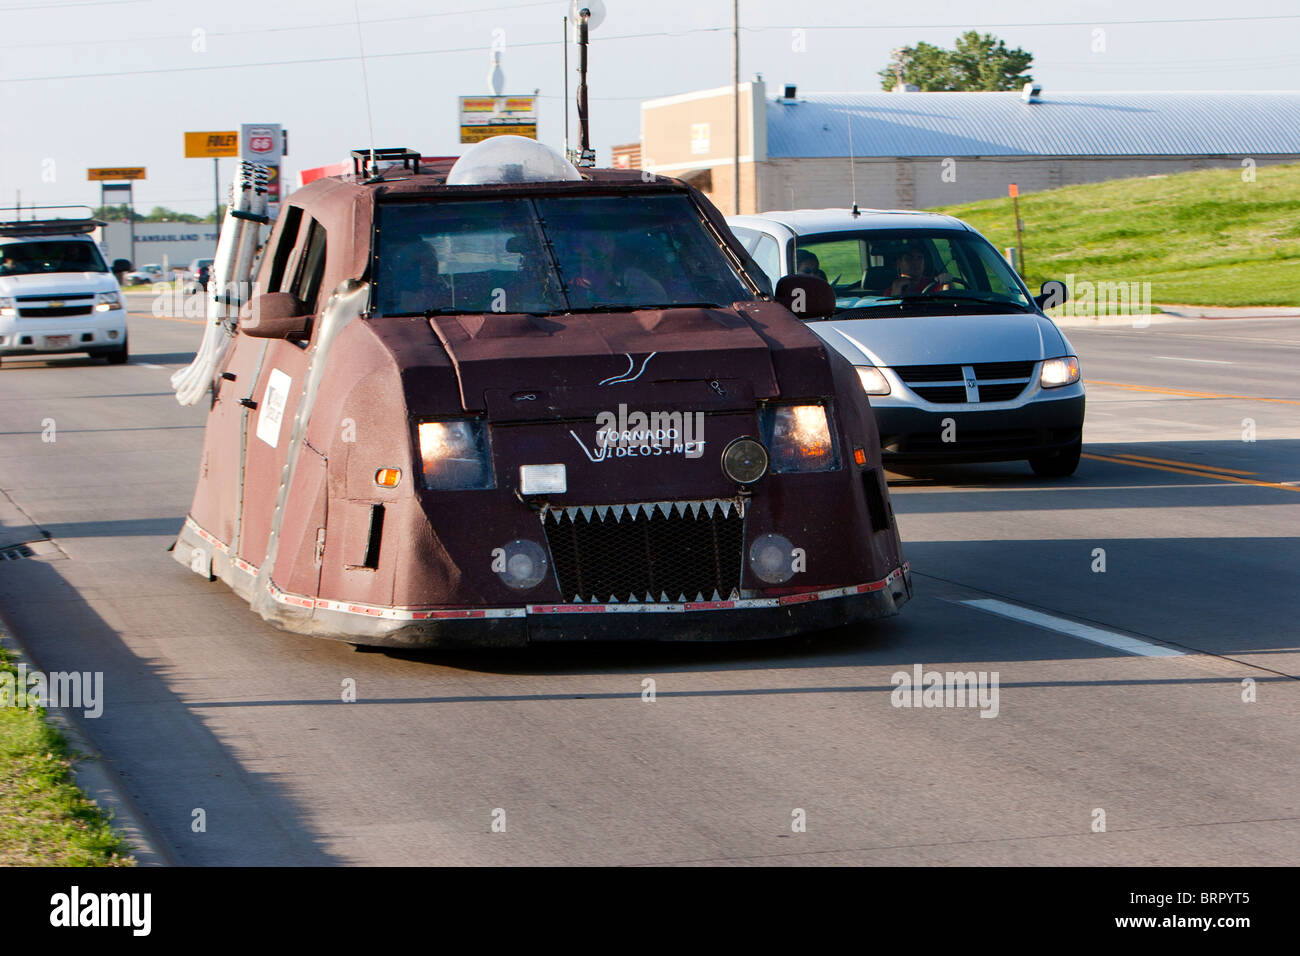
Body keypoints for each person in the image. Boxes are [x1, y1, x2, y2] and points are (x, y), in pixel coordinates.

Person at [886, 241, 951, 296]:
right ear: (899, 263)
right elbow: (889, 310)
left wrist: (946, 284)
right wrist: (897, 289)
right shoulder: (890, 291)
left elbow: (945, 305)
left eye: (919, 258)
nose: (915, 262)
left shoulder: (933, 285)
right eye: (909, 258)